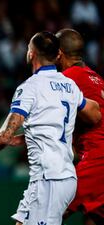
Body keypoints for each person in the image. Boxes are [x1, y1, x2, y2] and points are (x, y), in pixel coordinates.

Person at [0, 31, 101, 225]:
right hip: (60, 176)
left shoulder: (32, 86)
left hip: (53, 177)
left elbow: (4, 136)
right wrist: (31, 134)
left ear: (31, 54)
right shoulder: (72, 84)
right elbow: (95, 114)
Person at [56, 28, 104, 225]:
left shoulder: (66, 80)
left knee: (48, 209)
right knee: (94, 219)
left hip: (97, 159)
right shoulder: (97, 78)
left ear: (58, 53)